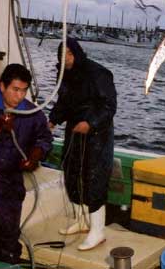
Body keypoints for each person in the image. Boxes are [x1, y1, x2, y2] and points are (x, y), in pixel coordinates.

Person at [0, 63, 52, 265]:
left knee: (7, 239)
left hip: (8, 179)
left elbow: (45, 138)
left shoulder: (32, 113)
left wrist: (36, 155)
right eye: (15, 90)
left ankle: (4, 260)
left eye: (24, 90)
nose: (20, 96)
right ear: (2, 87)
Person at [48, 37, 117, 251]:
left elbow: (109, 105)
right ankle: (82, 220)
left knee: (94, 178)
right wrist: (52, 120)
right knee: (72, 174)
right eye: (62, 54)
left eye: (69, 53)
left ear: (77, 52)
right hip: (74, 132)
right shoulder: (66, 75)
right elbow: (64, 103)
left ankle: (98, 231)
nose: (65, 58)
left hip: (97, 136)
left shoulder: (98, 73)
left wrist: (91, 123)